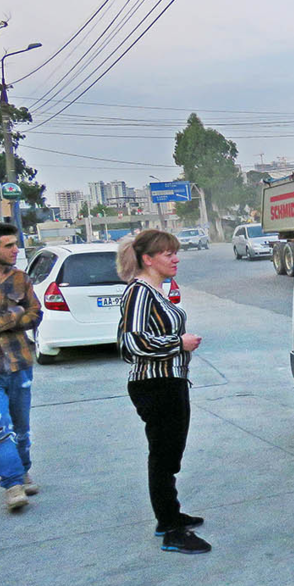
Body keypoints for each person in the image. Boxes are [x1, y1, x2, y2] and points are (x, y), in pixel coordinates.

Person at [116, 230, 209, 554]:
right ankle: (170, 529)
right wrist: (177, 343)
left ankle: (170, 514)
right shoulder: (139, 292)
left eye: (175, 252)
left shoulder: (154, 290)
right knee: (164, 455)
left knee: (169, 453)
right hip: (155, 384)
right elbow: (132, 342)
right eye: (168, 254)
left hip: (169, 381)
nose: (175, 258)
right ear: (148, 259)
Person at [0, 222, 42, 512]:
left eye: (16, 244)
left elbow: (35, 315)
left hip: (20, 363)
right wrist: (15, 313)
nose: (16, 250)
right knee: (1, 428)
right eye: (9, 245)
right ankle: (12, 485)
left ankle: (23, 470)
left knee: (22, 428)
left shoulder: (20, 278)